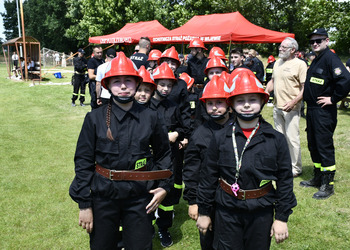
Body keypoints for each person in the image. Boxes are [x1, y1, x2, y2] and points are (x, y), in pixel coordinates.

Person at [69, 52, 173, 250]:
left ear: (136, 84)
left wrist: (165, 187)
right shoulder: (94, 118)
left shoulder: (151, 117)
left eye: (128, 81)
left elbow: (163, 154)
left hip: (139, 196)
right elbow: (83, 161)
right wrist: (84, 204)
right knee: (102, 245)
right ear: (107, 85)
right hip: (103, 196)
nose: (123, 86)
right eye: (117, 81)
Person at [196, 68, 297, 249]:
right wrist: (204, 212)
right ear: (232, 104)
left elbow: (285, 180)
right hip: (227, 210)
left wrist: (281, 217)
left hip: (261, 212)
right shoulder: (220, 138)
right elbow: (208, 176)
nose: (247, 105)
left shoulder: (276, 139)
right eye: (240, 100)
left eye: (253, 100)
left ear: (262, 101)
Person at [300, 28, 350, 199]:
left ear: (327, 41)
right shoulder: (316, 59)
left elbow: (345, 80)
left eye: (318, 40)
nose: (315, 43)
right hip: (312, 110)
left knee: (323, 145)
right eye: (312, 41)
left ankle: (328, 185)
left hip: (323, 111)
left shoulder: (330, 58)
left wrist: (333, 98)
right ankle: (318, 176)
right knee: (313, 144)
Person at [183, 75, 232, 250]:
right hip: (207, 197)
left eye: (219, 102)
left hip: (233, 199)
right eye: (210, 104)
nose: (214, 108)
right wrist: (193, 201)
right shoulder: (199, 134)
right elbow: (191, 170)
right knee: (208, 240)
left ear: (229, 103)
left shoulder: (238, 129)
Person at [150, 63, 186, 247]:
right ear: (154, 83)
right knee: (149, 191)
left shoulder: (173, 105)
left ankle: (164, 228)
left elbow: (182, 126)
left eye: (169, 85)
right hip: (150, 156)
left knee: (168, 194)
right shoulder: (145, 104)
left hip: (170, 155)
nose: (165, 88)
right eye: (162, 84)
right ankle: (147, 226)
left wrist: (178, 134)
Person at [265, 37, 307, 177]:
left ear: (292, 50)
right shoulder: (277, 63)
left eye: (283, 47)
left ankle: (296, 168)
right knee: (280, 139)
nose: (280, 49)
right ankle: (283, 164)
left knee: (292, 139)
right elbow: (272, 81)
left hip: (292, 109)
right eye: (280, 46)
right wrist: (265, 93)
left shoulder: (300, 64)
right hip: (277, 107)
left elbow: (304, 88)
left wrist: (294, 102)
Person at [87, 45, 105, 109]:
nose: (100, 54)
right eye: (98, 53)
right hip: (94, 85)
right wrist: (102, 77)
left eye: (101, 52)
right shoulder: (91, 61)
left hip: (102, 85)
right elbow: (91, 76)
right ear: (94, 53)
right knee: (95, 105)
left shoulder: (103, 61)